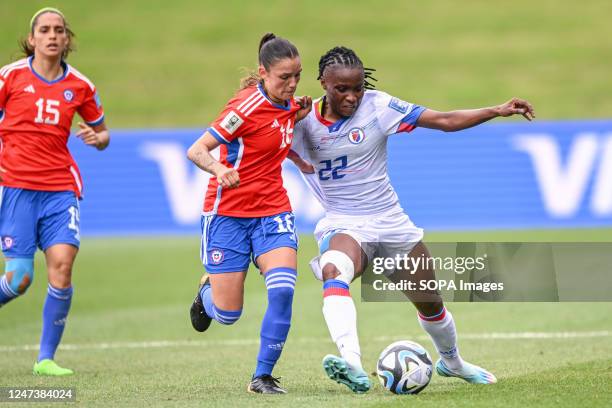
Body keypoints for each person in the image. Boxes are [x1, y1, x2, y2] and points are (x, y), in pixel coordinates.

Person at [288, 46, 535, 393]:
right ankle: (352, 363)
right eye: (341, 89)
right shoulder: (299, 122)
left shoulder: (378, 106)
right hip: (343, 222)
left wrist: (496, 109)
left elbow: (445, 121)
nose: (351, 96)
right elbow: (253, 143)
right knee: (334, 270)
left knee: (431, 303)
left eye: (357, 87)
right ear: (322, 84)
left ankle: (453, 363)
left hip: (391, 221)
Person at [187, 33, 312, 394]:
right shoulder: (243, 109)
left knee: (284, 289)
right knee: (227, 314)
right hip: (228, 213)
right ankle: (207, 291)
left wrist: (299, 150)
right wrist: (218, 168)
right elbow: (196, 150)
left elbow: (275, 137)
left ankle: (262, 376)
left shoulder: (289, 104)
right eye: (284, 77)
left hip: (272, 209)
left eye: (297, 76)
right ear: (263, 73)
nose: (292, 85)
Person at [0, 8, 109, 376]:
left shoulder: (80, 86)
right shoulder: (9, 78)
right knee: (19, 280)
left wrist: (98, 139)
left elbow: (103, 132)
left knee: (62, 267)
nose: (51, 35)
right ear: (32, 39)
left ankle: (45, 359)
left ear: (66, 40)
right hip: (16, 187)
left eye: (58, 30)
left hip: (60, 188)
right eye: (44, 30)